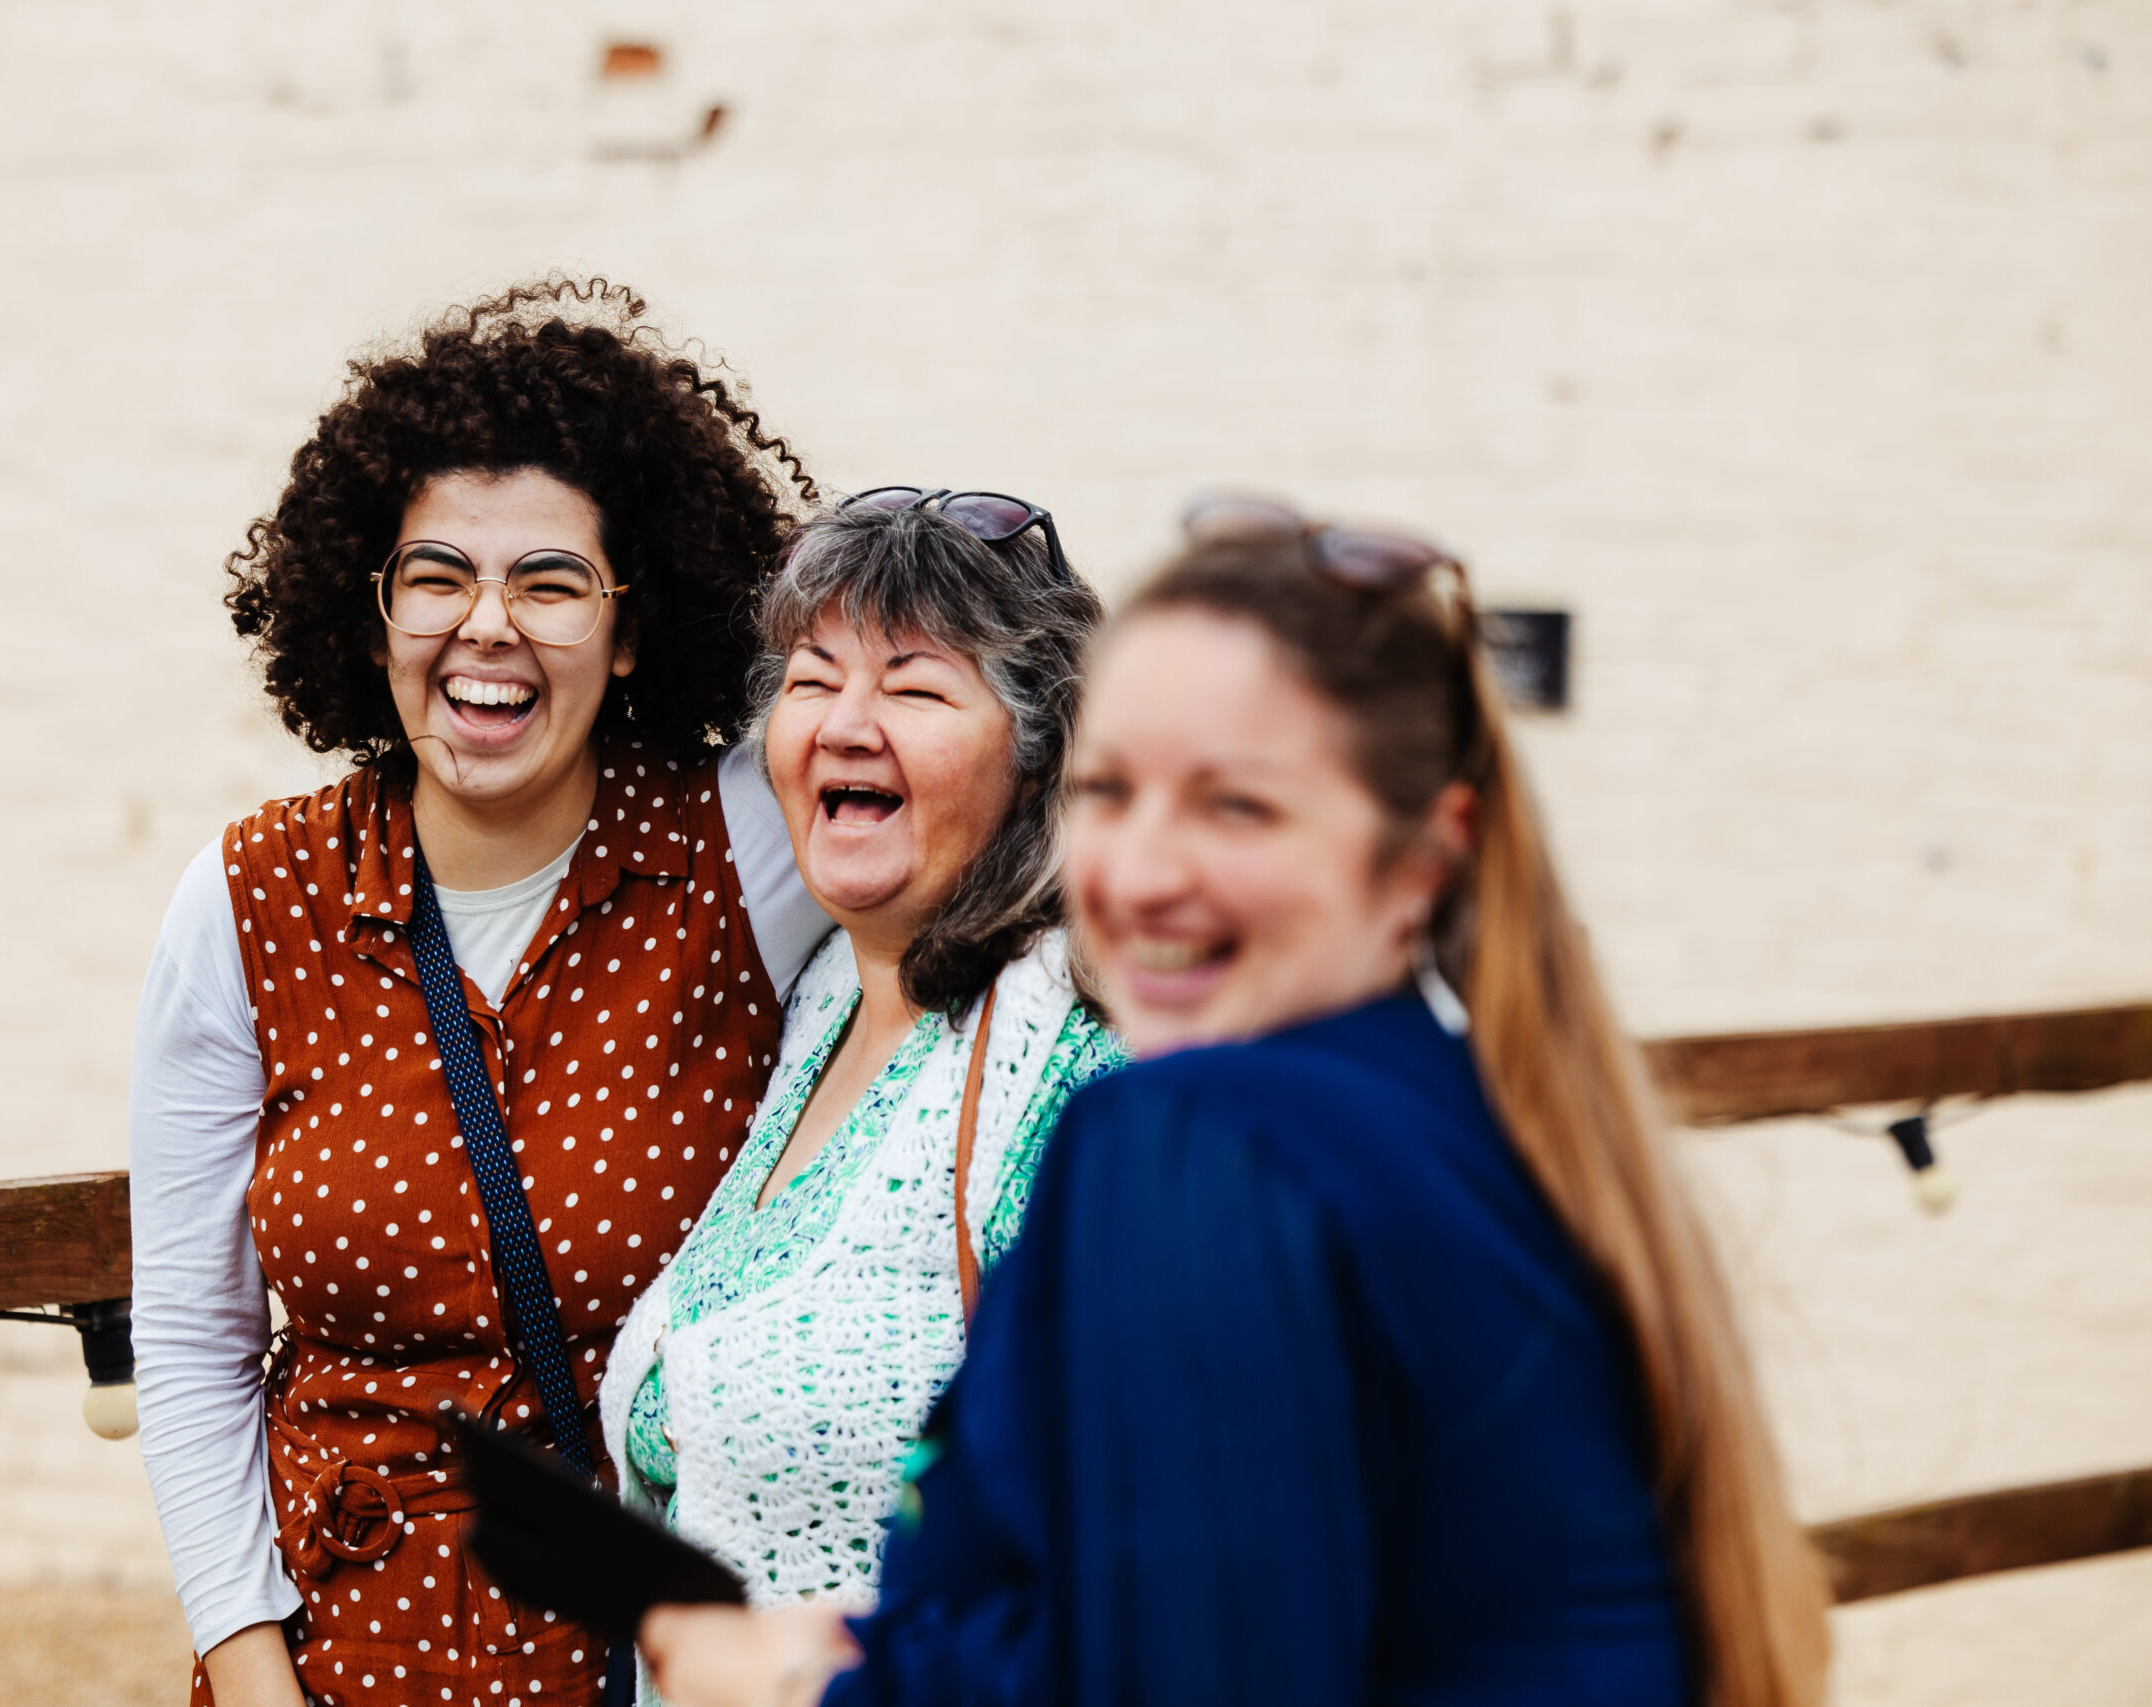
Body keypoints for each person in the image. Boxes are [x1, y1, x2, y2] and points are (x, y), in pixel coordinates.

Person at [640, 497, 1831, 1707]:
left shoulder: (1198, 1140)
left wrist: (802, 1681)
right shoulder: (1481, 1114)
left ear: (1423, 854)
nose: (1143, 874)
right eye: (1110, 792)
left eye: (1236, 807)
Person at [128, 277, 835, 1707]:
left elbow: (941, 750)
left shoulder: (744, 849)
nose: (486, 625)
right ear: (373, 611)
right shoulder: (249, 899)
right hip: (335, 1664)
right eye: (437, 574)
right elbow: (198, 1346)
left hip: (640, 1669)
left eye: (553, 581)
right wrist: (256, 1678)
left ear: (634, 630)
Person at [601, 492, 1123, 1653]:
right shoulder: (824, 997)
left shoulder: (1088, 1064)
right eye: (811, 677)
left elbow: (1151, 1541)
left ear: (1038, 757)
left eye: (915, 685)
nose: (844, 722)